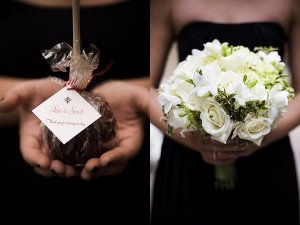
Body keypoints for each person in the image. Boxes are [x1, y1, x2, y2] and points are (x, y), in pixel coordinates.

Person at [150, 0, 300, 224]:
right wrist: (194, 140)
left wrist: (261, 135)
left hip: (266, 161)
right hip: (188, 160)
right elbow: (145, 89)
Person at [0, 0, 149, 223]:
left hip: (129, 169)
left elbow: (169, 78)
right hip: (12, 174)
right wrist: (22, 102)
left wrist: (136, 99)